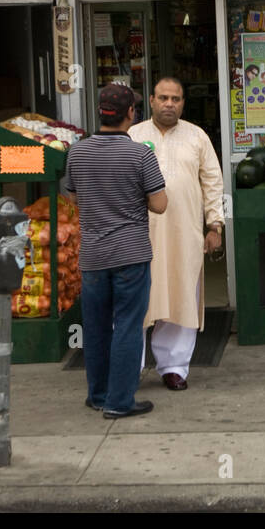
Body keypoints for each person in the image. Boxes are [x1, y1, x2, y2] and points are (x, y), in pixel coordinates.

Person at [65, 83, 168, 418]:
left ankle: (97, 394)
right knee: (126, 325)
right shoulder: (141, 154)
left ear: (100, 112)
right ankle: (120, 401)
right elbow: (160, 204)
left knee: (95, 327)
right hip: (131, 254)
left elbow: (72, 197)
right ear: (130, 114)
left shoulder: (77, 152)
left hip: (93, 256)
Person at [129, 77, 225, 391]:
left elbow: (213, 182)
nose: (170, 104)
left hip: (184, 233)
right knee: (137, 299)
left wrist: (215, 225)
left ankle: (174, 367)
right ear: (152, 101)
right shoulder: (133, 135)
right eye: (164, 98)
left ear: (183, 103)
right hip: (139, 234)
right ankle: (129, 368)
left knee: (181, 294)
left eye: (176, 98)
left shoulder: (197, 137)